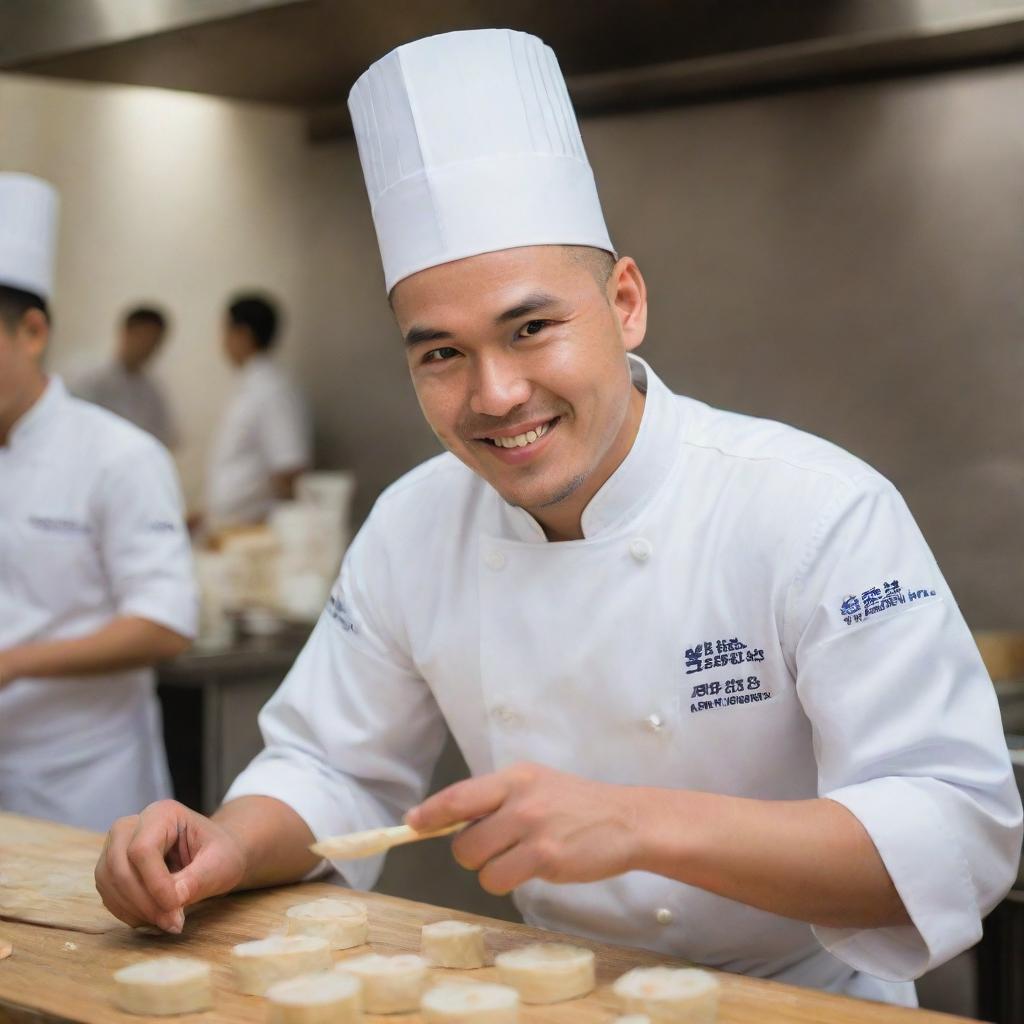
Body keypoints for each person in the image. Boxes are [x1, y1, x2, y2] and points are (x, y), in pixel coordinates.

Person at [93, 30, 1022, 1006]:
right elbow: (328, 764)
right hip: (555, 993)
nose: (494, 393)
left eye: (531, 328)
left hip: (802, 996)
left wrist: (641, 822)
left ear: (624, 303)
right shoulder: (414, 526)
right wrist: (228, 845)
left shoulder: (813, 508)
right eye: (439, 353)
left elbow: (954, 825)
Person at [0, 173, 198, 831]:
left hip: (84, 784)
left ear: (32, 332)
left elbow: (164, 622)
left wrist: (10, 666)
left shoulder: (119, 456)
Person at [201, 293, 312, 532]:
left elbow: (290, 471)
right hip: (233, 527)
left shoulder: (271, 389)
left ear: (243, 334)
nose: (222, 341)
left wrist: (276, 529)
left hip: (256, 531)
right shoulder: (250, 385)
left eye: (225, 331)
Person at [72, 305, 180, 450]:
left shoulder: (153, 391)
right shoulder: (89, 377)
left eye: (154, 342)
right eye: (142, 338)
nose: (146, 347)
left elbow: (166, 439)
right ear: (125, 333)